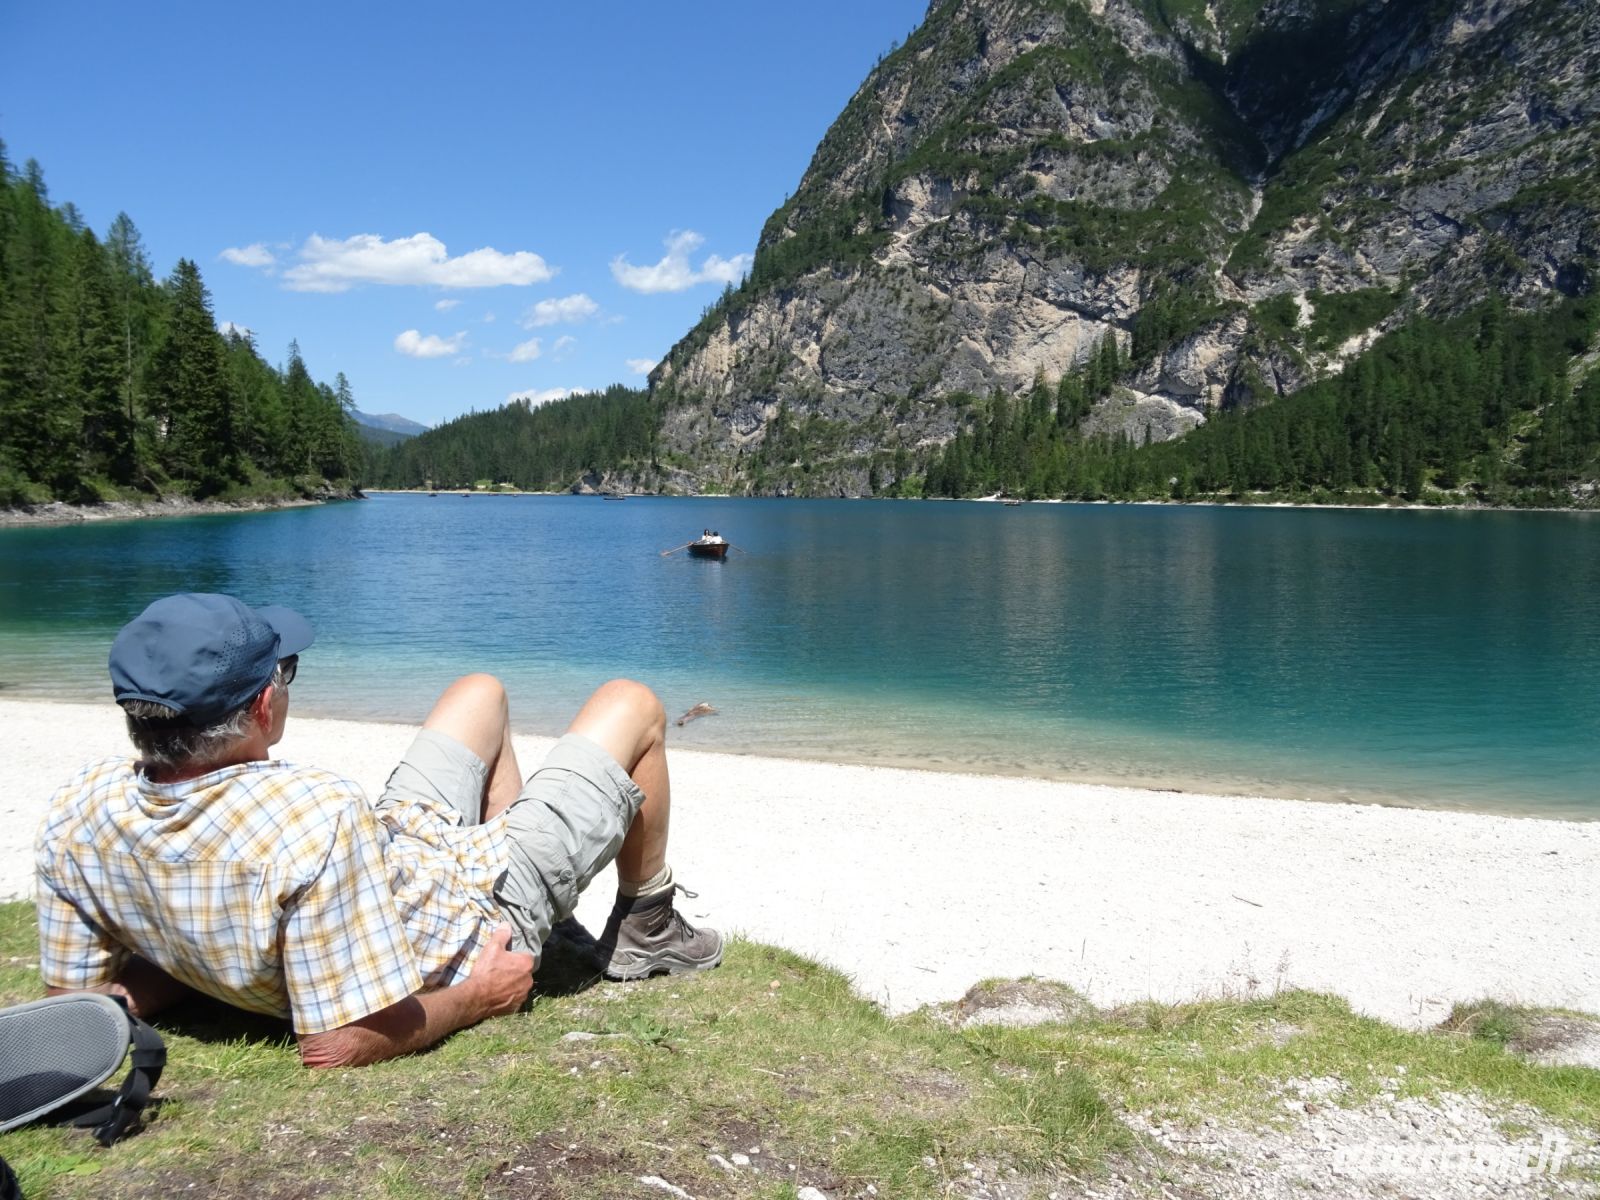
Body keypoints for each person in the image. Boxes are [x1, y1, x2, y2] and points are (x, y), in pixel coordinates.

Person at [35, 593, 722, 1068]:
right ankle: (645, 925)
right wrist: (482, 994)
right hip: (474, 912)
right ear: (265, 706)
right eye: (285, 673)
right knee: (632, 704)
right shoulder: (314, 814)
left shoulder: (78, 810)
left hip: (406, 851)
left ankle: (547, 896)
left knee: (479, 691)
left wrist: (187, 967)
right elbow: (336, 1046)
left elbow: (78, 1010)